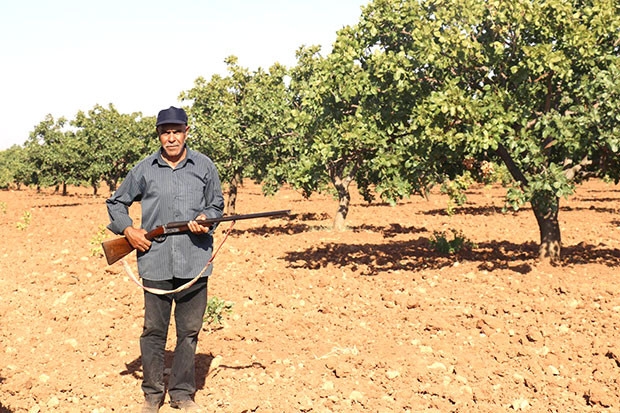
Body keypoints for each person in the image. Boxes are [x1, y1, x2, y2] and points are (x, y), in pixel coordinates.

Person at [106, 106, 224, 412]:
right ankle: (152, 395)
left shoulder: (205, 166)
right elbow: (116, 202)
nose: (171, 138)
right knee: (154, 331)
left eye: (176, 132)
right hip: (155, 259)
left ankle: (183, 394)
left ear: (186, 132)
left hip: (194, 260)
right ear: (159, 135)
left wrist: (206, 218)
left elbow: (217, 205)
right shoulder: (144, 169)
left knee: (188, 332)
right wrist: (129, 230)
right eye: (165, 132)